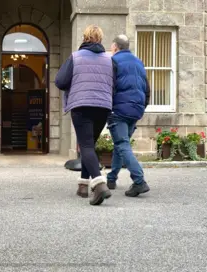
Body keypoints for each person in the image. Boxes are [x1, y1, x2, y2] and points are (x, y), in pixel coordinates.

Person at [55, 25, 114, 205]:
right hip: (103, 106)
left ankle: (100, 184)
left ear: (85, 37)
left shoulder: (76, 57)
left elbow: (60, 81)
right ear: (101, 39)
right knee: (90, 144)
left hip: (81, 105)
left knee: (86, 145)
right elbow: (115, 84)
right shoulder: (110, 59)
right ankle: (83, 186)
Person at [107, 34, 150, 197]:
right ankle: (111, 178)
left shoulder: (114, 61)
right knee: (120, 144)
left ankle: (139, 181)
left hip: (119, 109)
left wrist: (108, 107)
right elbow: (147, 89)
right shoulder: (139, 62)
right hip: (136, 109)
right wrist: (142, 107)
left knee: (122, 144)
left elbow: (110, 87)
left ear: (115, 47)